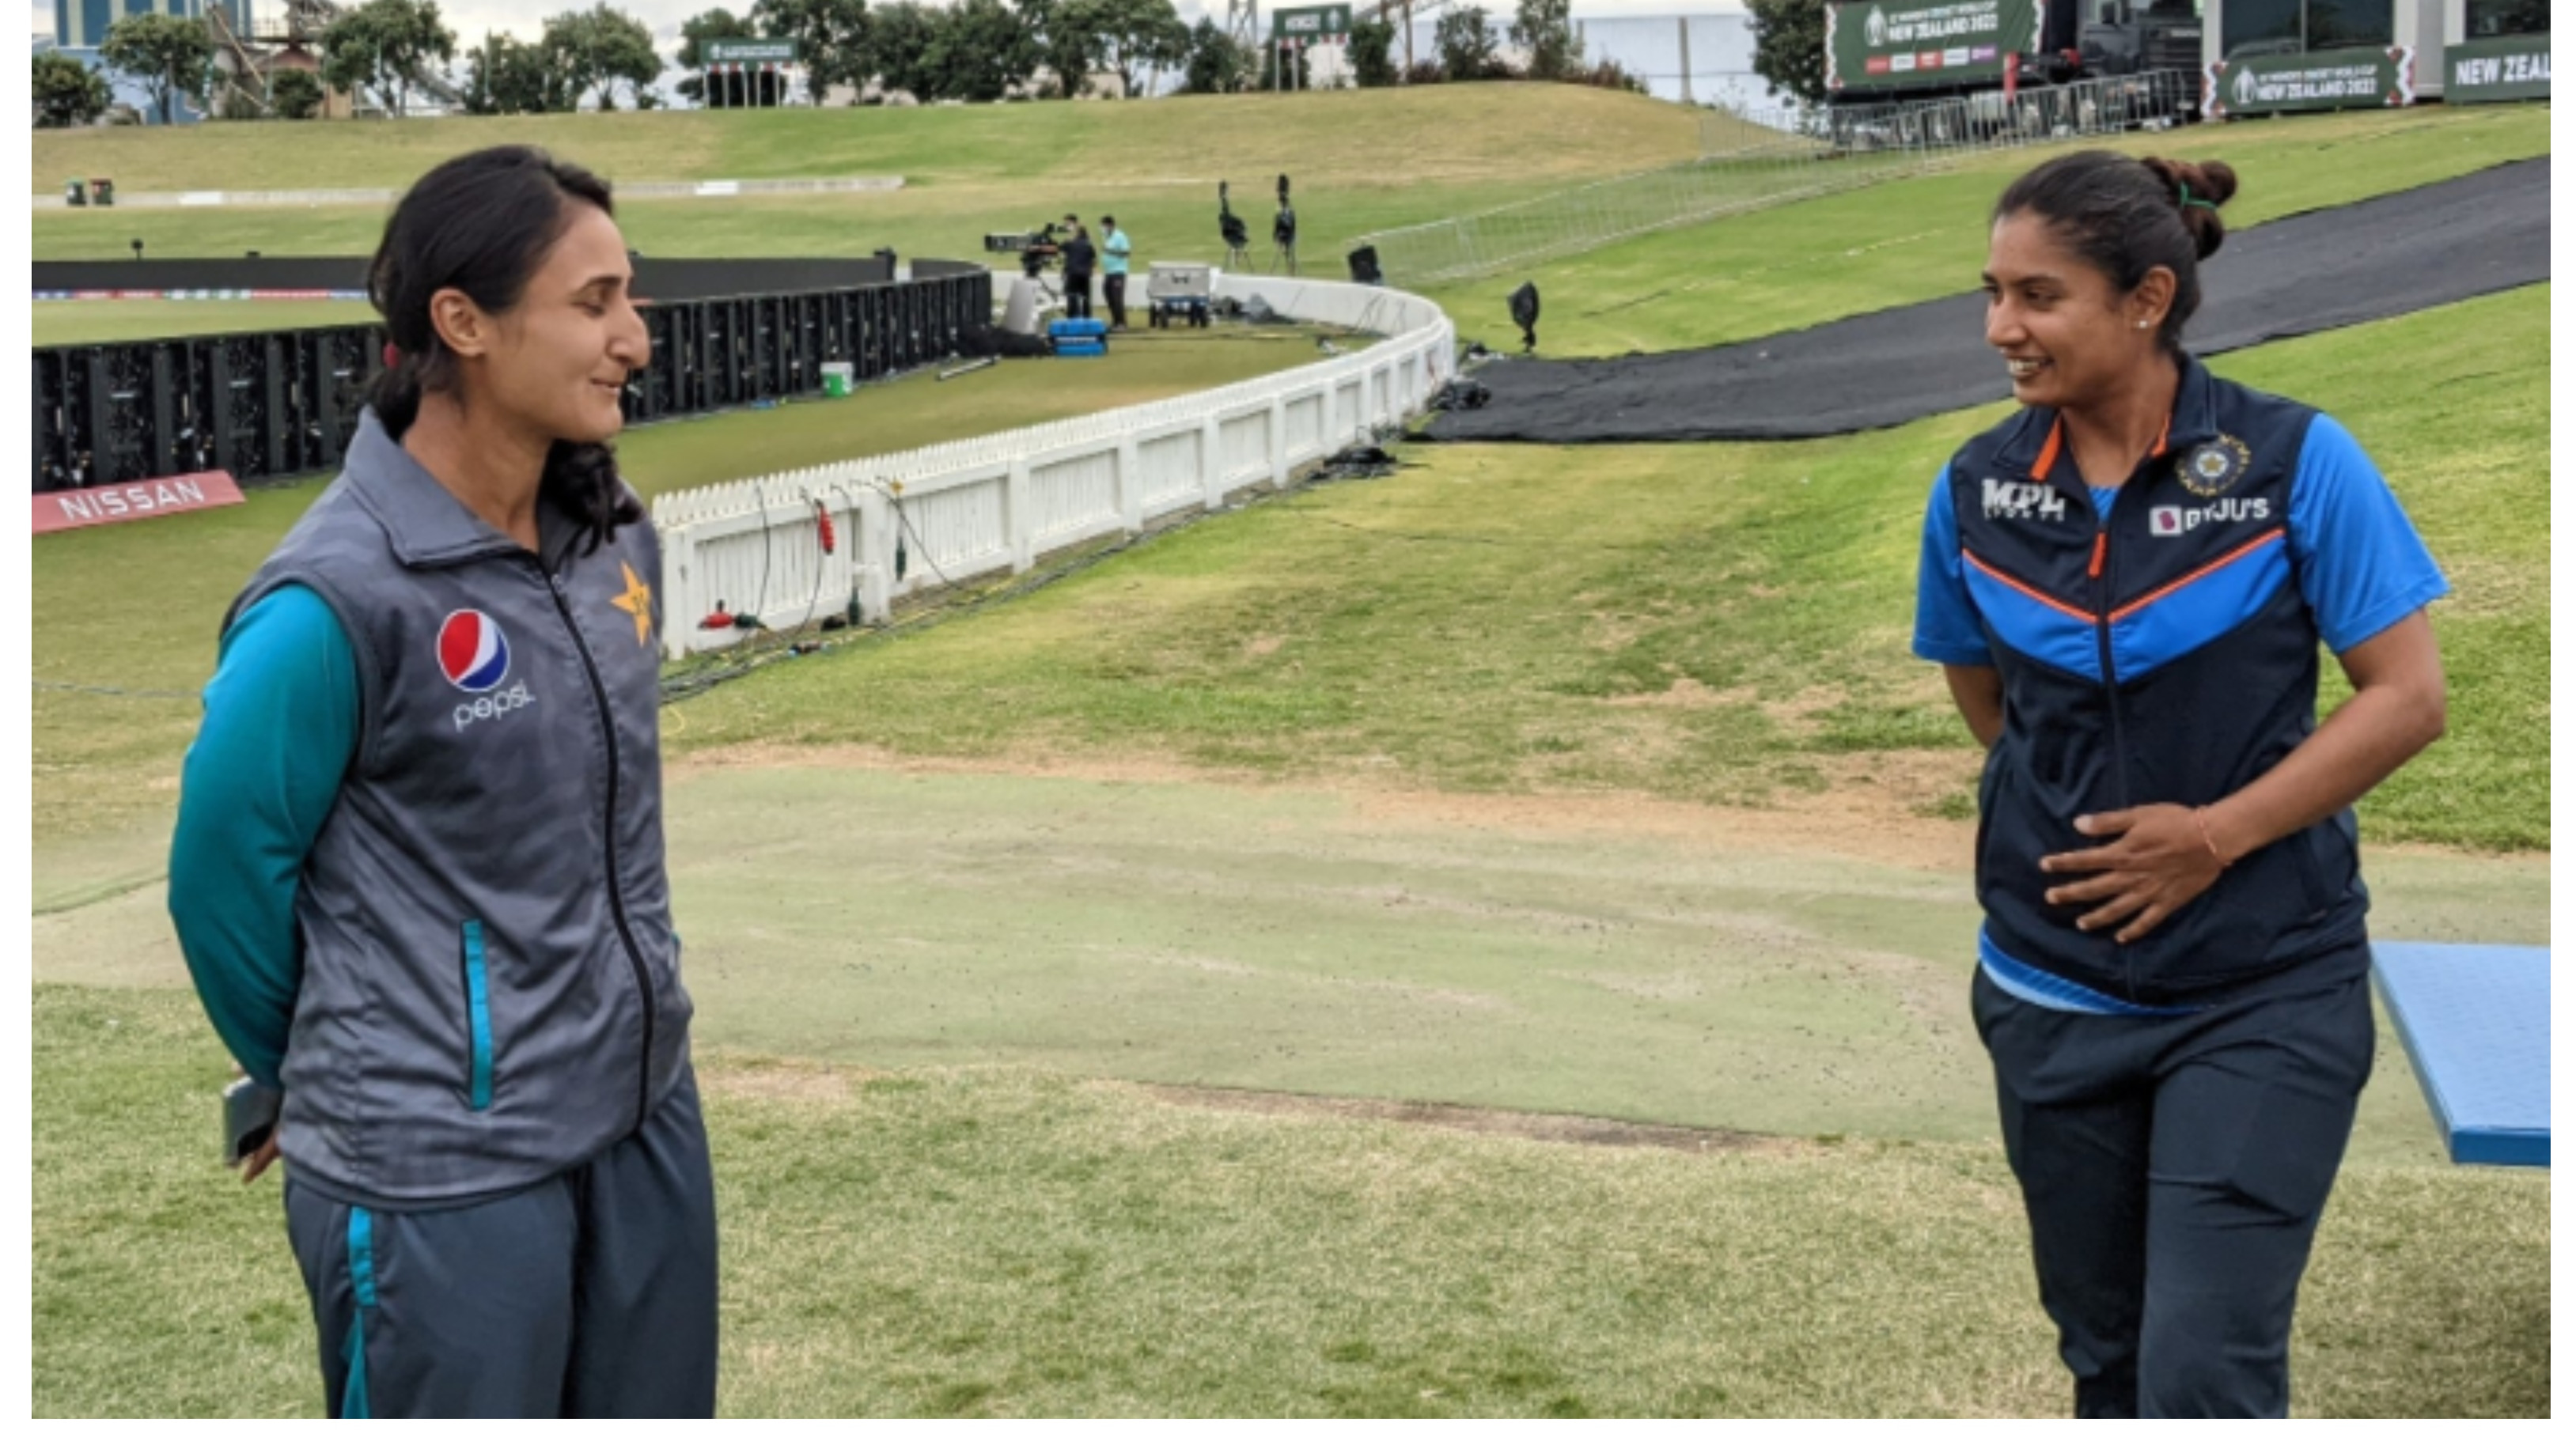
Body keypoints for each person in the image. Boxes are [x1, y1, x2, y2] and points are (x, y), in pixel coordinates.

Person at [166, 145, 717, 1418]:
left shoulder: (610, 535)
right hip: (441, 1179)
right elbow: (219, 873)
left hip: (641, 1121)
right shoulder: (335, 599)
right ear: (461, 323)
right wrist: (334, 1066)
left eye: (630, 298)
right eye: (593, 304)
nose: (633, 337)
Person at [1914, 151, 2449, 1418]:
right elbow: (1988, 700)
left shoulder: (2296, 462)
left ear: (2147, 299)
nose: (2002, 328)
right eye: (1991, 293)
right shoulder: (1976, 489)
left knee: (2203, 1374)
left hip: (2263, 992)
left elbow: (2408, 697)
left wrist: (2211, 837)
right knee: (2108, 1368)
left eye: (2038, 296)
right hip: (2051, 993)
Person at [1059, 214, 1097, 321]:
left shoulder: (1070, 243)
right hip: (1085, 274)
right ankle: (1087, 318)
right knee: (1085, 297)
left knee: (1072, 296)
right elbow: (1093, 259)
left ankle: (1072, 317)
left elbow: (1059, 249)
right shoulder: (1088, 244)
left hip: (1073, 273)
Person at [1099, 214, 1132, 331]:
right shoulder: (1107, 237)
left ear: (1111, 225)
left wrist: (1110, 251)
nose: (1102, 228)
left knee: (1117, 297)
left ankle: (1121, 323)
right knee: (1109, 296)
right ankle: (1115, 321)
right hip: (1109, 272)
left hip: (1118, 272)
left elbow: (1126, 253)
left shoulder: (1120, 236)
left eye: (1104, 226)